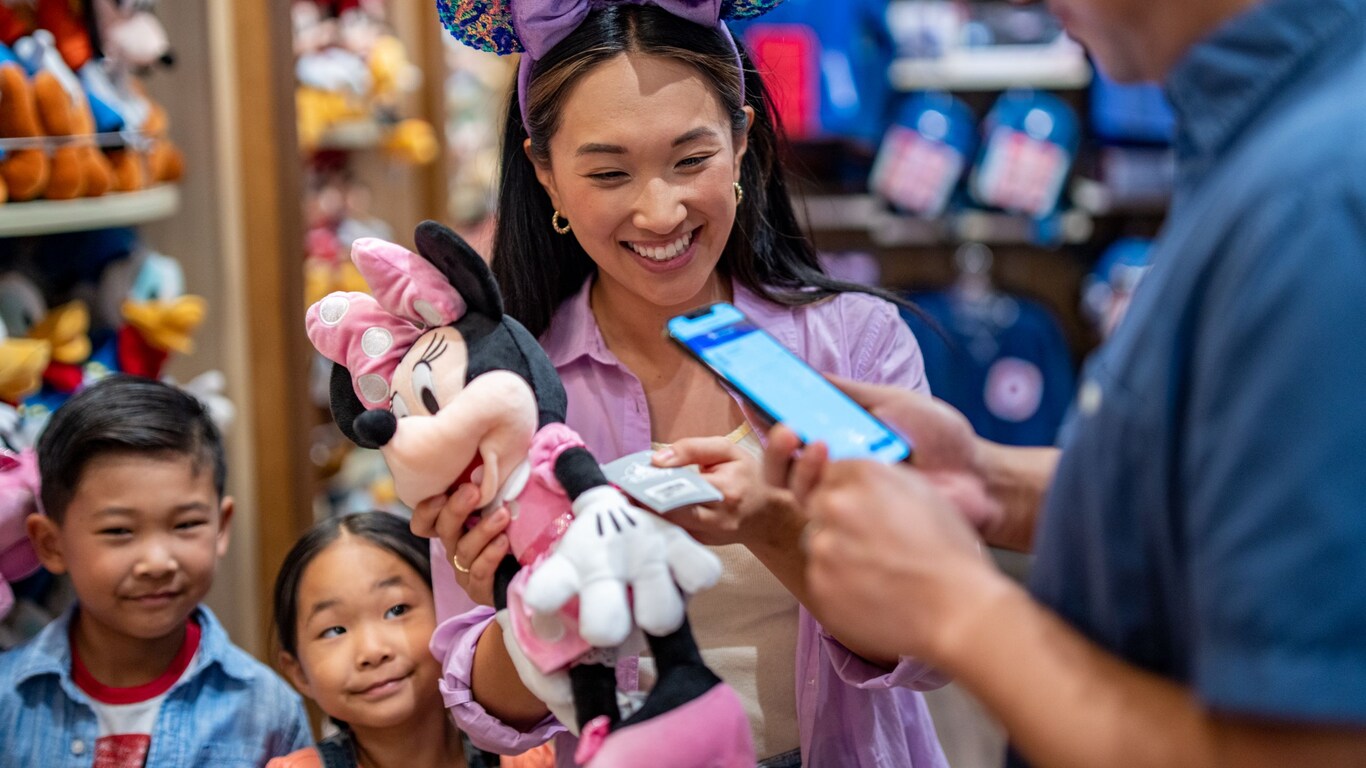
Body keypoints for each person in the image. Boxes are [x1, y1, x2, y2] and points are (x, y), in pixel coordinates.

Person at [764, 0, 1366, 765]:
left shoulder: (1312, 198)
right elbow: (1245, 499)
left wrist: (955, 607)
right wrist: (993, 484)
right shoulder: (1275, 138)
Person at [419, 2, 949, 766]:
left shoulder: (857, 346)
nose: (660, 210)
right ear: (546, 175)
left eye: (691, 160)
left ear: (741, 141)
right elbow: (489, 712)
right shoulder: (500, 392)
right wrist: (534, 607)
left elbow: (928, 634)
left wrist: (776, 531)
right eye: (608, 172)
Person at [0, 375, 312, 767]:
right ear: (51, 544)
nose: (157, 562)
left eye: (186, 525)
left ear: (221, 526)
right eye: (119, 531)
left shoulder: (267, 711)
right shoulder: (7, 701)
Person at [268, 511, 553, 768]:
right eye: (334, 630)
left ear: (449, 615)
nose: (373, 650)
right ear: (297, 671)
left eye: (397, 610)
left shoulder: (528, 762)